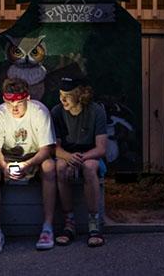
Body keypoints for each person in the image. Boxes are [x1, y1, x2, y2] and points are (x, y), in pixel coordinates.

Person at [0, 76, 57, 253]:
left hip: (35, 156)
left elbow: (46, 149)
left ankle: (48, 227)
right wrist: (4, 167)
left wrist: (27, 164)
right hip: (9, 156)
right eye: (10, 103)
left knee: (49, 166)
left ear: (27, 98)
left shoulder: (40, 112)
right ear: (4, 99)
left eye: (19, 102)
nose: (14, 107)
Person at [51, 76, 108, 247]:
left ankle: (94, 223)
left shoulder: (95, 111)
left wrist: (78, 159)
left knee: (89, 168)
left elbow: (101, 148)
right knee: (59, 167)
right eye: (61, 94)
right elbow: (55, 147)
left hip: (90, 154)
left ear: (78, 95)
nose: (62, 99)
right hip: (67, 153)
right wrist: (68, 158)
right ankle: (69, 223)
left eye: (67, 95)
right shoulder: (57, 112)